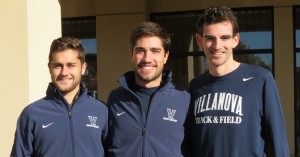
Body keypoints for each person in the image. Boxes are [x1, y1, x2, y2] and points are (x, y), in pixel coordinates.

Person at [187, 6, 289, 157]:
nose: (217, 46)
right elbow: (190, 143)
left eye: (224, 38)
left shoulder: (260, 79)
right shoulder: (195, 86)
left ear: (235, 40)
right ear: (199, 40)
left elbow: (278, 142)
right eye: (210, 38)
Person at [10, 37, 108, 157]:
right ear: (49, 67)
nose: (64, 72)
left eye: (71, 65)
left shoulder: (101, 111)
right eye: (58, 66)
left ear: (83, 68)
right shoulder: (31, 114)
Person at [105, 22, 191, 157]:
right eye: (140, 51)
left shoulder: (183, 99)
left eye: (155, 51)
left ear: (165, 56)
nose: (147, 59)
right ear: (131, 54)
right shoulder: (115, 99)